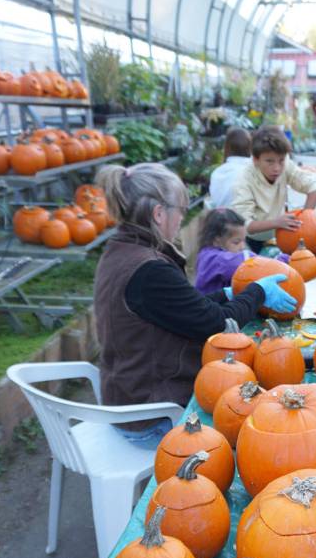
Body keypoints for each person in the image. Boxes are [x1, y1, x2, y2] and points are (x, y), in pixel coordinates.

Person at [93, 163, 295, 448]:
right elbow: (219, 325)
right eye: (181, 211)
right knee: (252, 427)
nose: (180, 220)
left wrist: (229, 293)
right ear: (159, 213)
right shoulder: (149, 270)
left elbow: (186, 309)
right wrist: (256, 292)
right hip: (154, 414)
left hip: (128, 394)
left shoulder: (122, 251)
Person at [231, 125, 316, 251]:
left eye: (281, 161)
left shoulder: (286, 164)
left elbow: (314, 189)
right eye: (269, 161)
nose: (277, 168)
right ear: (256, 160)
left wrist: (306, 220)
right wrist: (276, 222)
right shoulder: (243, 180)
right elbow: (246, 225)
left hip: (280, 236)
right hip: (251, 241)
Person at [194, 208, 253, 293]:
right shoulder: (212, 258)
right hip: (211, 305)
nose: (242, 247)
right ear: (216, 240)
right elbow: (238, 262)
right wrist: (264, 262)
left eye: (244, 240)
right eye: (236, 242)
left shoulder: (212, 253)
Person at [208, 127, 252, 208]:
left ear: (227, 147)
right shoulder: (256, 171)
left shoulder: (217, 172)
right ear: (250, 147)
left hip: (220, 218)